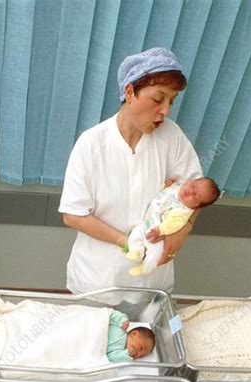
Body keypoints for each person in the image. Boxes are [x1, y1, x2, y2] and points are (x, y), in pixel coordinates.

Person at [59, 47, 203, 303]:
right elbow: (73, 214)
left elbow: (197, 193)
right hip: (99, 279)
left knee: (144, 338)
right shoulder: (92, 143)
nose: (166, 111)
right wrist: (127, 242)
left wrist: (181, 231)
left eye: (171, 101)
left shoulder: (171, 136)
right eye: (158, 99)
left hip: (152, 280)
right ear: (129, 92)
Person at [125, 177, 220, 275]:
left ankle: (145, 268)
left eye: (195, 196)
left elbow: (173, 225)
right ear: (189, 180)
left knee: (156, 252)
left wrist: (160, 230)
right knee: (135, 233)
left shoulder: (183, 212)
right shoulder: (175, 187)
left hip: (159, 233)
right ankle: (137, 252)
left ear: (196, 206)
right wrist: (167, 184)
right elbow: (162, 191)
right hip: (147, 223)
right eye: (193, 185)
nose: (190, 191)